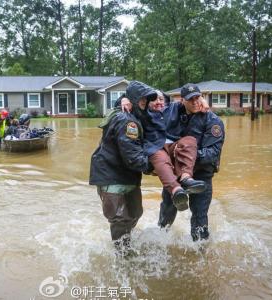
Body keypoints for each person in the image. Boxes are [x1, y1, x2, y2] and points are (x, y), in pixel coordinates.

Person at [89, 81, 157, 256]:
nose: (145, 103)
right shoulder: (127, 121)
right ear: (133, 100)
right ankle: (122, 259)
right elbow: (133, 157)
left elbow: (165, 108)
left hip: (127, 177)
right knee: (120, 219)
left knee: (135, 213)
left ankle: (126, 247)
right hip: (111, 176)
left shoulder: (135, 115)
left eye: (146, 100)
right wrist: (154, 167)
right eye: (141, 100)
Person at [121, 89, 207, 211]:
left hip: (173, 146)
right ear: (146, 102)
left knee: (190, 140)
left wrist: (202, 100)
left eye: (161, 99)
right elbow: (130, 100)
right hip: (155, 147)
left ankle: (186, 178)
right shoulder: (142, 113)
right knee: (160, 158)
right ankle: (176, 190)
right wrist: (123, 99)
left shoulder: (173, 108)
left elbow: (187, 101)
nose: (158, 102)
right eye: (154, 99)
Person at [158, 83, 225, 241]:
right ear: (182, 100)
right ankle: (160, 242)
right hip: (175, 176)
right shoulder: (172, 111)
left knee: (200, 218)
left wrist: (183, 155)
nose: (195, 102)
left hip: (201, 176)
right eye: (190, 99)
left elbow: (213, 154)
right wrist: (124, 101)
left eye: (197, 97)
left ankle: (200, 254)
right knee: (166, 212)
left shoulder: (213, 121)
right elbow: (150, 106)